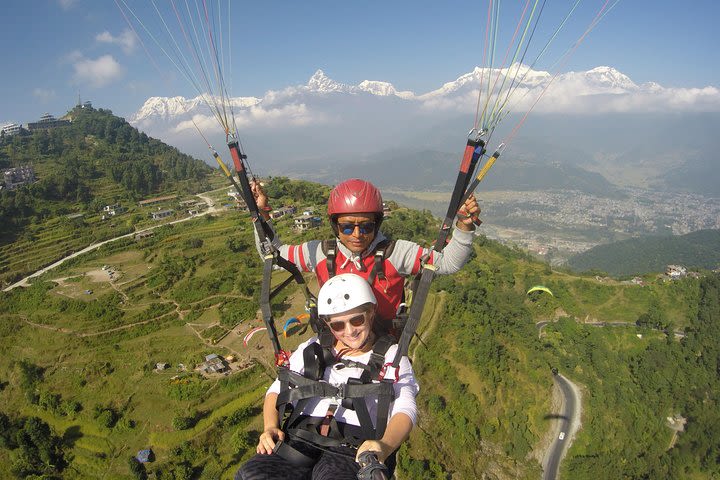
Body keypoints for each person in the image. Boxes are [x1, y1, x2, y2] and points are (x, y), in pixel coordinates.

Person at [235, 273, 419, 480]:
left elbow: (406, 407)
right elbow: (278, 389)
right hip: (300, 436)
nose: (350, 331)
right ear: (327, 323)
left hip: (353, 446)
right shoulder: (312, 348)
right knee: (250, 474)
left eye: (357, 320)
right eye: (338, 325)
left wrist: (384, 446)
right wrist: (270, 427)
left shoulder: (392, 356)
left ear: (371, 312)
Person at [251, 178, 480, 327]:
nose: (357, 234)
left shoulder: (396, 253)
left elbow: (447, 263)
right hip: (336, 342)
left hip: (383, 346)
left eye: (367, 226)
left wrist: (465, 226)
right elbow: (275, 257)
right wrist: (261, 216)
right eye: (347, 226)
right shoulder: (321, 252)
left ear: (377, 224)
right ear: (335, 226)